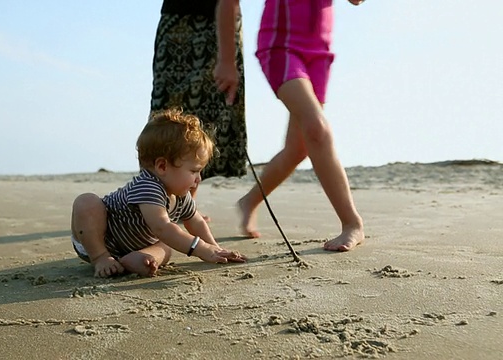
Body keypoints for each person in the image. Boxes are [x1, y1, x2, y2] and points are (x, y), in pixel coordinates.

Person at [214, 0, 365, 251]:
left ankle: (249, 201)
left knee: (298, 148)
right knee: (317, 128)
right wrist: (227, 61)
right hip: (281, 47)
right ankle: (352, 223)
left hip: (320, 51)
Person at [70, 109, 246, 278]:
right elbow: (162, 227)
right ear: (162, 166)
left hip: (133, 246)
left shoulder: (181, 195)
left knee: (166, 247)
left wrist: (214, 248)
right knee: (87, 201)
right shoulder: (148, 186)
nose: (198, 178)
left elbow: (196, 221)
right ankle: (100, 258)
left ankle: (139, 259)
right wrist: (201, 248)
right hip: (101, 239)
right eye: (194, 171)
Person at [150, 0, 249, 221]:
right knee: (168, 116)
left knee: (207, 119)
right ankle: (157, 205)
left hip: (220, 26)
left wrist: (226, 59)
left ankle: (184, 205)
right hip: (180, 21)